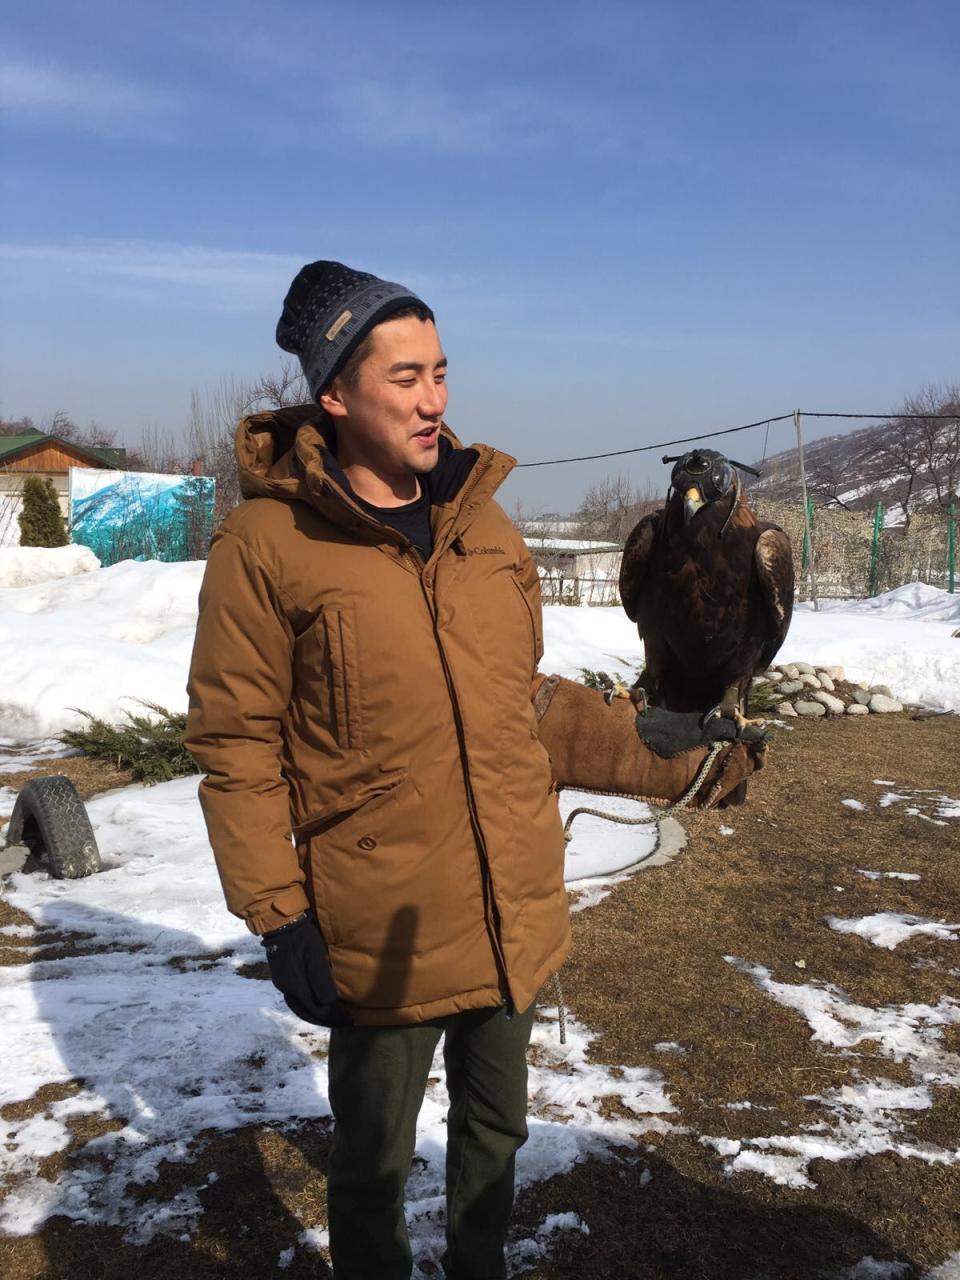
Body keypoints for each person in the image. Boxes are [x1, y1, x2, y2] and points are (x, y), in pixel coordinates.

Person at [185, 260, 571, 1279]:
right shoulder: (266, 543)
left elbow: (520, 698)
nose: (435, 400)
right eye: (405, 377)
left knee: (496, 1137)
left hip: (509, 905)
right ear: (335, 392)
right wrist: (279, 909)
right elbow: (236, 741)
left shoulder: (481, 524)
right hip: (380, 915)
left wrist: (673, 750)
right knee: (373, 1162)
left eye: (441, 371)